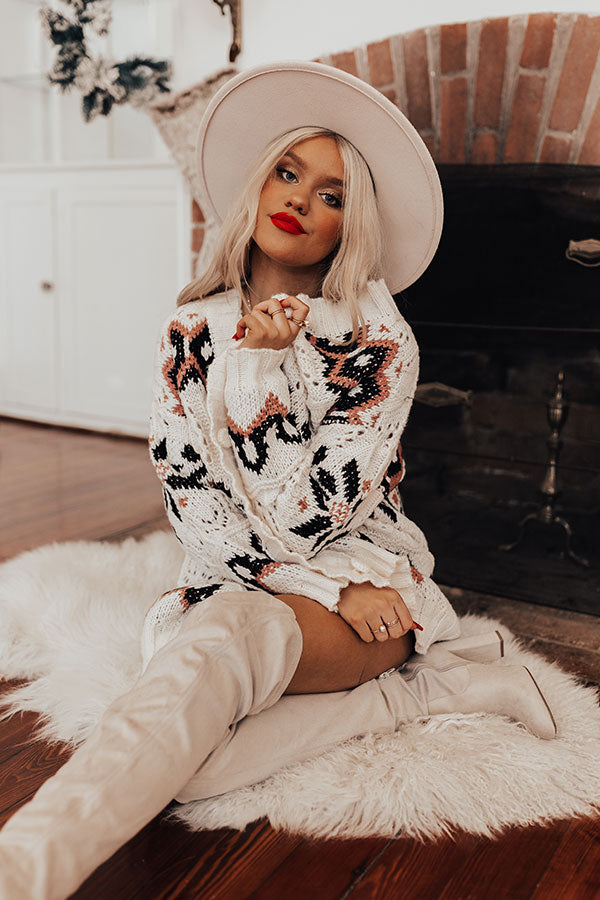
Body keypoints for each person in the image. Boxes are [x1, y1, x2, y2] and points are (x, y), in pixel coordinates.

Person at [0, 61, 557, 900]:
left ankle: (23, 871)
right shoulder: (192, 329)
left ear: (350, 225)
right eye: (288, 173)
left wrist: (262, 370)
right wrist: (305, 585)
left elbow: (307, 520)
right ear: (258, 185)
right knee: (187, 759)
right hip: (256, 580)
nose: (299, 200)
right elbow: (191, 501)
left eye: (332, 194)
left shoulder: (377, 345)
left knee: (215, 657)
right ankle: (429, 693)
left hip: (367, 580)